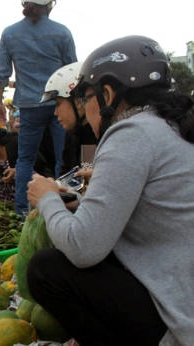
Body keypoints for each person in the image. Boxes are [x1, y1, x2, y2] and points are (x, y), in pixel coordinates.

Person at [26, 35, 194, 345]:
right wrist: (78, 202)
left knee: (45, 270)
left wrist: (47, 198)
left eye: (85, 97)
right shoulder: (166, 126)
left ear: (107, 94)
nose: (82, 107)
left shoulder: (131, 133)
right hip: (181, 295)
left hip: (177, 321)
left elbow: (83, 249)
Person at [0, 0, 77, 214]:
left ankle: (23, 213)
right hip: (60, 102)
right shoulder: (62, 32)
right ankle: (63, 206)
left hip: (30, 105)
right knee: (63, 157)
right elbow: (72, 71)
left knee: (25, 160)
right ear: (50, 4)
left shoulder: (10, 33)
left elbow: (2, 73)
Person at [40, 62, 97, 174]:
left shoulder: (100, 134)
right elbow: (68, 174)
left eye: (58, 104)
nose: (55, 113)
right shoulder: (75, 135)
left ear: (79, 102)